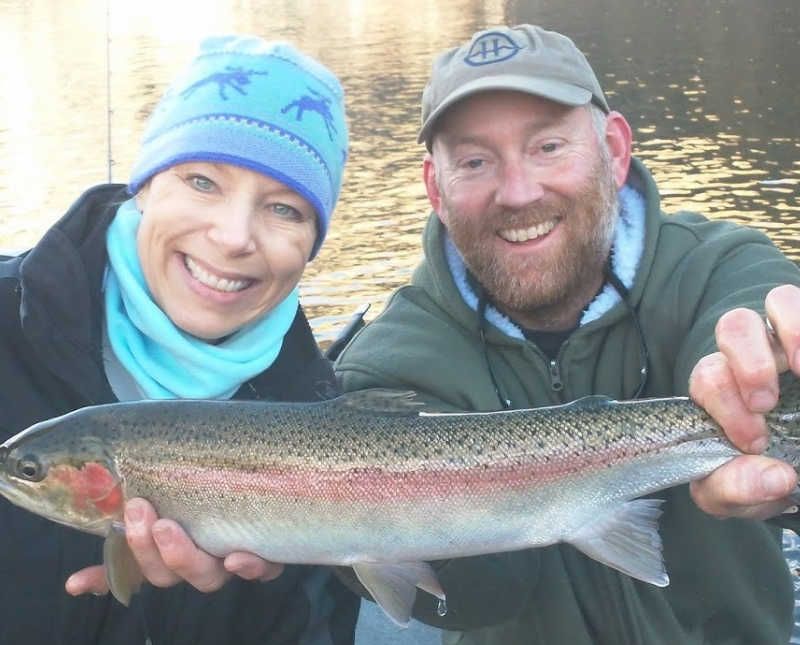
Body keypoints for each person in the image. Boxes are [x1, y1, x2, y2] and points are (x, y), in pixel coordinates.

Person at [333, 24, 800, 644]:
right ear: (435, 190)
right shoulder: (387, 363)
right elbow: (481, 597)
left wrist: (759, 373)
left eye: (548, 146)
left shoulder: (722, 267)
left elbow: (746, 315)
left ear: (614, 148)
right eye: (474, 162)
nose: (519, 192)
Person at [0, 35, 359, 644]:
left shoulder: (323, 413)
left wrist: (226, 603)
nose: (233, 235)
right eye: (201, 181)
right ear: (144, 186)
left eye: (285, 209)